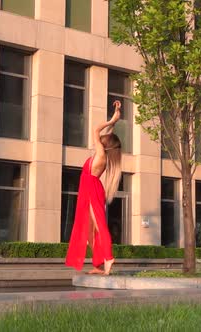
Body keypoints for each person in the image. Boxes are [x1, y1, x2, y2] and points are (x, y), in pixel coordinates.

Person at [65, 100, 122, 275]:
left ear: (106, 143)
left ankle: (108, 257)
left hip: (90, 189)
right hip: (90, 188)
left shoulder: (100, 154)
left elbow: (96, 130)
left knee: (99, 225)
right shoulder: (104, 154)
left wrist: (112, 121)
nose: (100, 138)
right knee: (89, 229)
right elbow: (106, 133)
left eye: (104, 138)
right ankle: (98, 264)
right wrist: (116, 116)